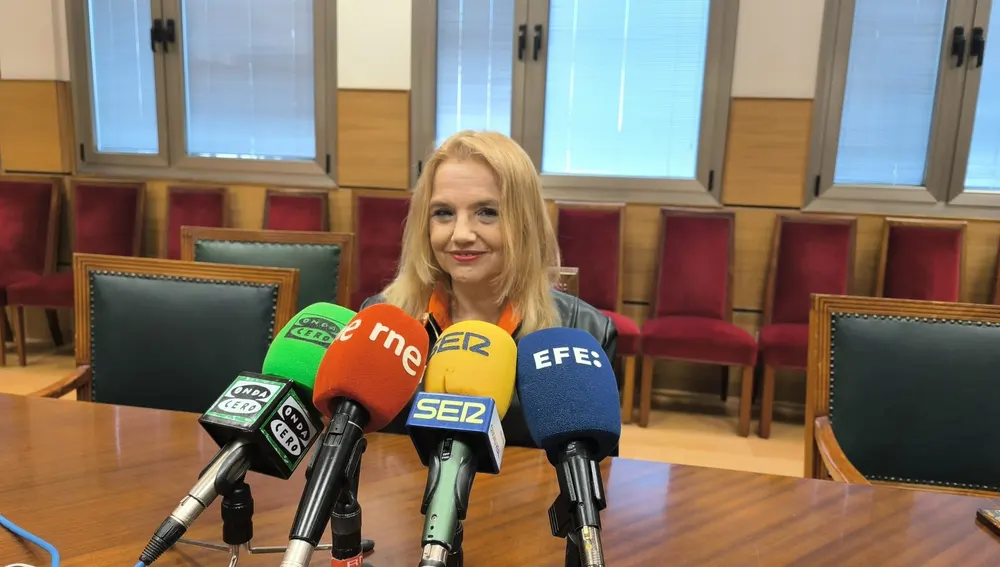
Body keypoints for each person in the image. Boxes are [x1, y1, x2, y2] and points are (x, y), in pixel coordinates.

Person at [361, 130, 618, 448]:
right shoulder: (382, 321)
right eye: (443, 213)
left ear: (524, 222)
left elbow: (592, 469)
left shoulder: (585, 332)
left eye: (487, 213)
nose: (462, 234)